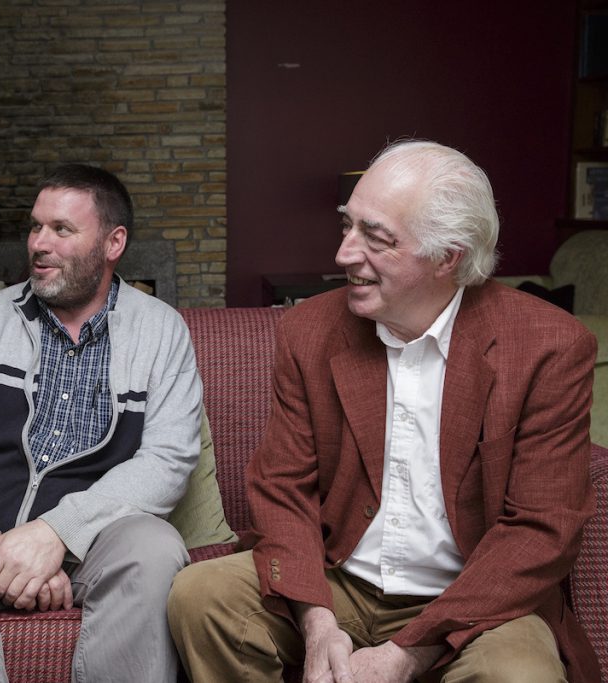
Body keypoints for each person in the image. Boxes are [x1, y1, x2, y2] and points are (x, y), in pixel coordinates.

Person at [168, 140, 601, 683]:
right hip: (338, 578)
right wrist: (317, 622)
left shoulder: (549, 346)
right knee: (201, 595)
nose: (344, 254)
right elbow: (282, 488)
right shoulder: (310, 330)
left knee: (519, 674)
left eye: (376, 237)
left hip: (474, 598)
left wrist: (405, 654)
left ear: (449, 256)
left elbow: (541, 529)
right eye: (347, 226)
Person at [0, 163, 202, 682]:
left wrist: (54, 536)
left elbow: (168, 460)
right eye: (36, 226)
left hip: (94, 547)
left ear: (113, 243)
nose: (39, 244)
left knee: (155, 549)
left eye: (61, 229)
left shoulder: (161, 331)